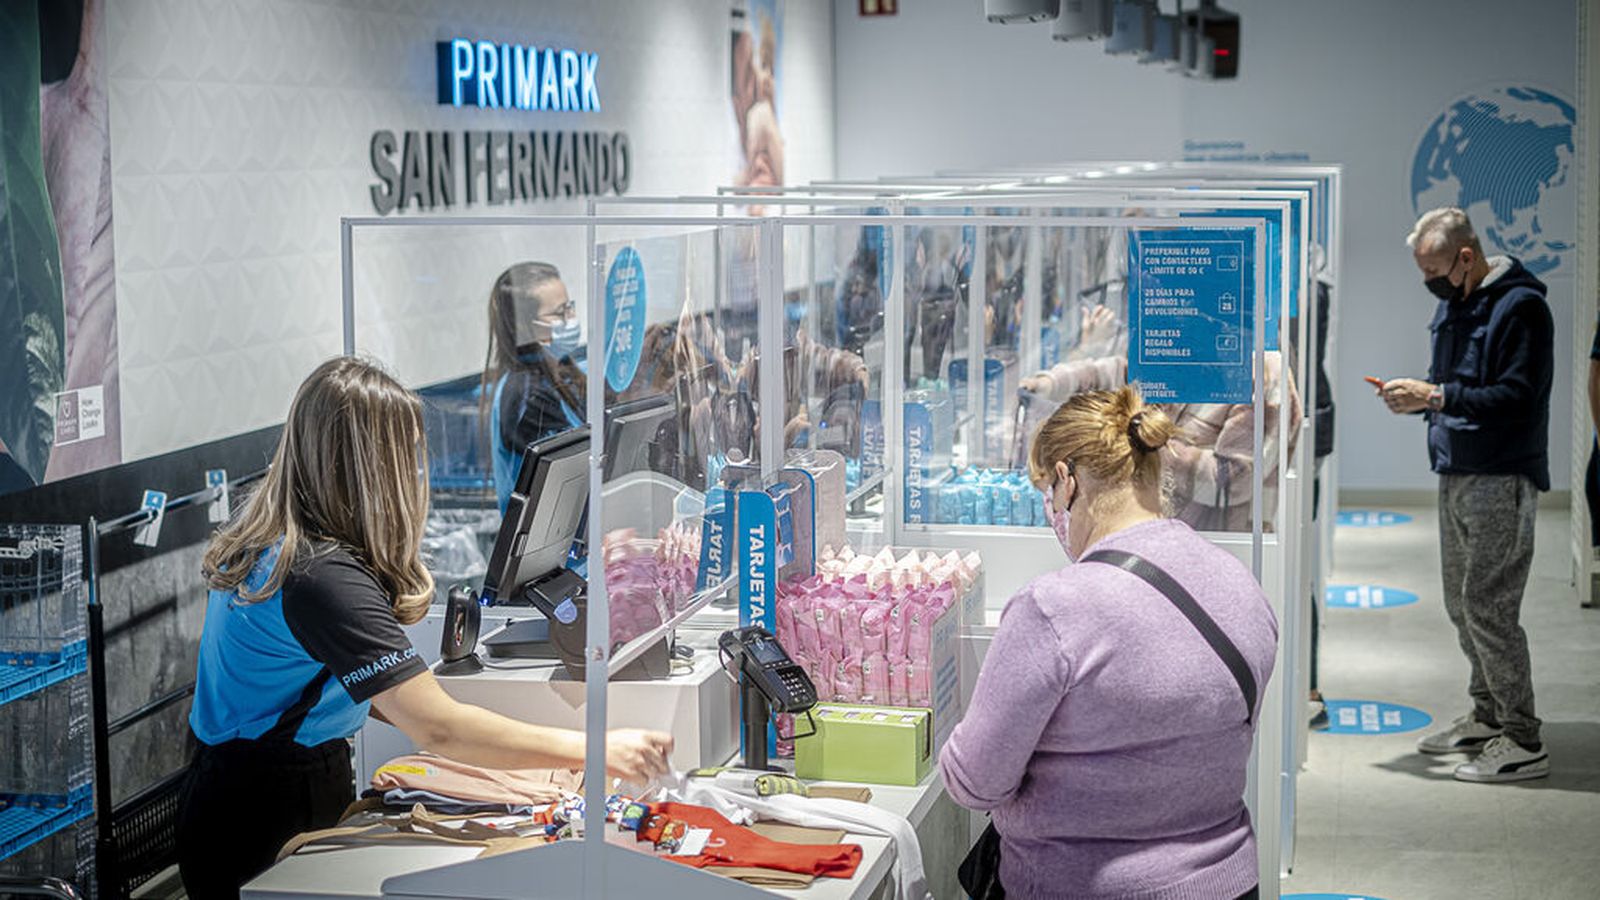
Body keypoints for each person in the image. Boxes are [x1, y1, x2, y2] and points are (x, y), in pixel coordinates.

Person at [177, 357, 673, 899]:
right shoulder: (320, 578)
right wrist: (597, 748)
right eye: (407, 455)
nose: (416, 473)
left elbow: (375, 696)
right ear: (369, 466)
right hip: (260, 810)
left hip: (238, 788)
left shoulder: (285, 544)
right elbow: (438, 729)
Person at [940, 386, 1277, 900]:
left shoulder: (1054, 608)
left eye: (1048, 496)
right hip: (1229, 881)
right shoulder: (1240, 585)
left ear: (1065, 481)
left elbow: (974, 782)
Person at [1377, 207, 1553, 783]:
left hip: (1501, 476)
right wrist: (1419, 400)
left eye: (1434, 268)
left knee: (1489, 606)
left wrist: (1435, 396)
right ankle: (1488, 714)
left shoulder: (1521, 308)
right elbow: (1453, 392)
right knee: (1461, 603)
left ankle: (1523, 737)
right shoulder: (1456, 303)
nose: (1429, 280)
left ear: (1467, 257)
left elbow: (1516, 396)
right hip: (1456, 469)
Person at [1020, 305, 1303, 532]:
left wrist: (1144, 443)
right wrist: (1051, 383)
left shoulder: (1262, 373)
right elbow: (1119, 373)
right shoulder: (1181, 347)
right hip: (1158, 537)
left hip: (1224, 543)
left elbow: (1233, 484)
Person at [480, 261, 586, 512]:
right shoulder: (528, 395)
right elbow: (572, 478)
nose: (569, 320)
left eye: (569, 308)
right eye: (558, 314)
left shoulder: (565, 373)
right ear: (524, 326)